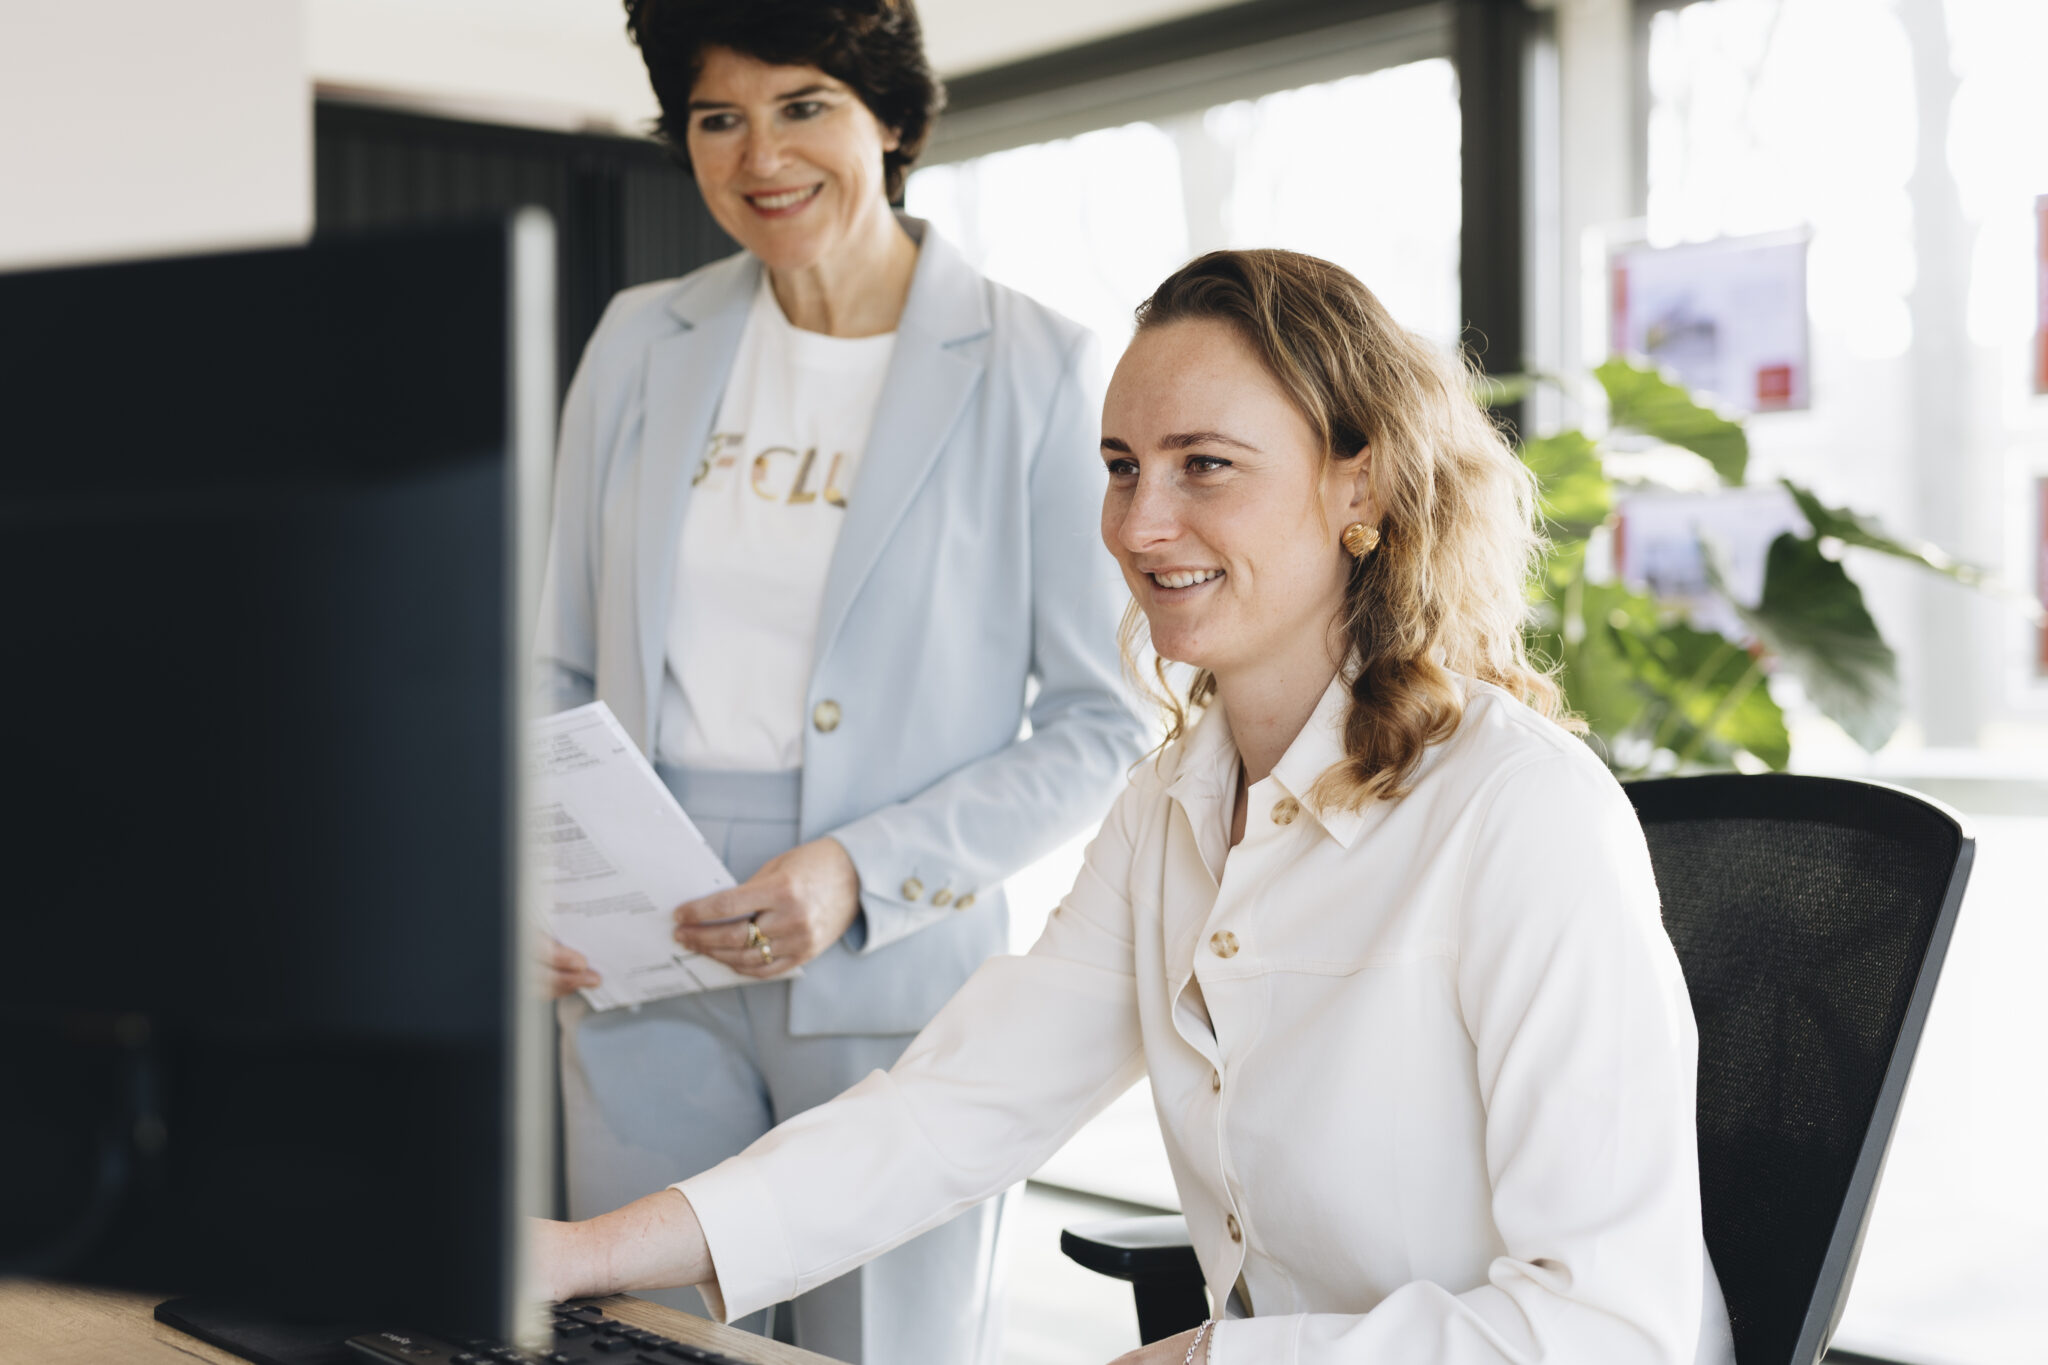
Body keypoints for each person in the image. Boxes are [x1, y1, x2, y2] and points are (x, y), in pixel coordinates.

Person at [532, 249, 1739, 1365]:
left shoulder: (1518, 811)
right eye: (1120, 468)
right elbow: (955, 1110)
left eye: (1202, 465)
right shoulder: (1174, 803)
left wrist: (1215, 1356)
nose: (1136, 525)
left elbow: (1605, 1327)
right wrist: (578, 1253)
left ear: (1355, 481)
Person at [530, 0, 1146, 1359]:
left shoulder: (1035, 363)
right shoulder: (638, 340)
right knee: (637, 1335)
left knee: (886, 1346)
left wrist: (860, 869)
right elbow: (553, 664)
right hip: (644, 942)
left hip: (893, 951)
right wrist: (530, 867)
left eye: (803, 103)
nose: (762, 153)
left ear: (891, 119)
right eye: (717, 116)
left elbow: (1105, 719)